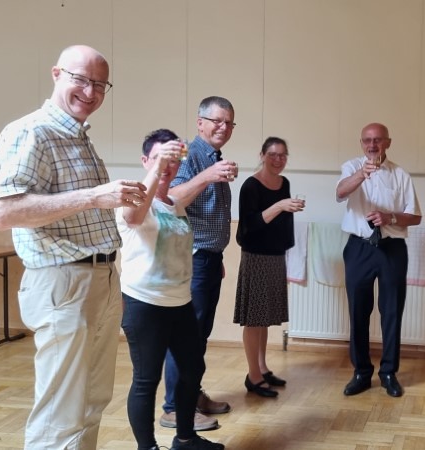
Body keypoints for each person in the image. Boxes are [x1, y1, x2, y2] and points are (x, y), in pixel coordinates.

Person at [0, 45, 147, 449]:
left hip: (98, 278)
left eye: (100, 84)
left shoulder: (77, 136)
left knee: (92, 402)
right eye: (81, 79)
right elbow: (3, 212)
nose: (90, 92)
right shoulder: (31, 131)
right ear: (57, 74)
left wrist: (108, 277)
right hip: (63, 281)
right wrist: (94, 196)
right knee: (61, 412)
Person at [118, 129, 225, 450]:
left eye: (173, 160)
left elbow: (179, 243)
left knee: (192, 369)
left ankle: (185, 438)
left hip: (180, 303)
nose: (167, 167)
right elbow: (133, 218)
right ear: (145, 161)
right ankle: (147, 447)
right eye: (158, 159)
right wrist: (158, 168)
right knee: (146, 380)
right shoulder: (134, 198)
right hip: (145, 304)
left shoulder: (174, 203)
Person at [161, 96, 240, 430]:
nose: (223, 127)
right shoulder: (188, 154)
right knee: (185, 337)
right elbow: (172, 198)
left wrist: (215, 255)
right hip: (192, 259)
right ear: (200, 122)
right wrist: (208, 175)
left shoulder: (213, 157)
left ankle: (191, 394)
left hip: (208, 258)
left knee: (198, 336)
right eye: (217, 121)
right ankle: (174, 408)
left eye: (229, 123)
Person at [336, 122, 421, 397]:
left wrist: (390, 217)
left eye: (378, 140)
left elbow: (415, 216)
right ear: (361, 143)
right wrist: (361, 174)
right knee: (358, 311)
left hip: (392, 248)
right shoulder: (351, 167)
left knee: (392, 311)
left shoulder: (400, 175)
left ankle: (388, 373)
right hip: (359, 248)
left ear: (388, 142)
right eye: (367, 140)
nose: (372, 145)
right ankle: (361, 372)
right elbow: (340, 192)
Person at [235, 137, 304, 397]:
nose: (278, 159)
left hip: (276, 256)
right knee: (254, 320)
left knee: (264, 318)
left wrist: (286, 208)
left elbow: (280, 222)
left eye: (283, 155)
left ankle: (262, 368)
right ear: (262, 155)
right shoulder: (250, 186)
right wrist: (280, 205)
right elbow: (249, 226)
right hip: (255, 257)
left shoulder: (284, 183)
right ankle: (253, 376)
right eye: (273, 154)